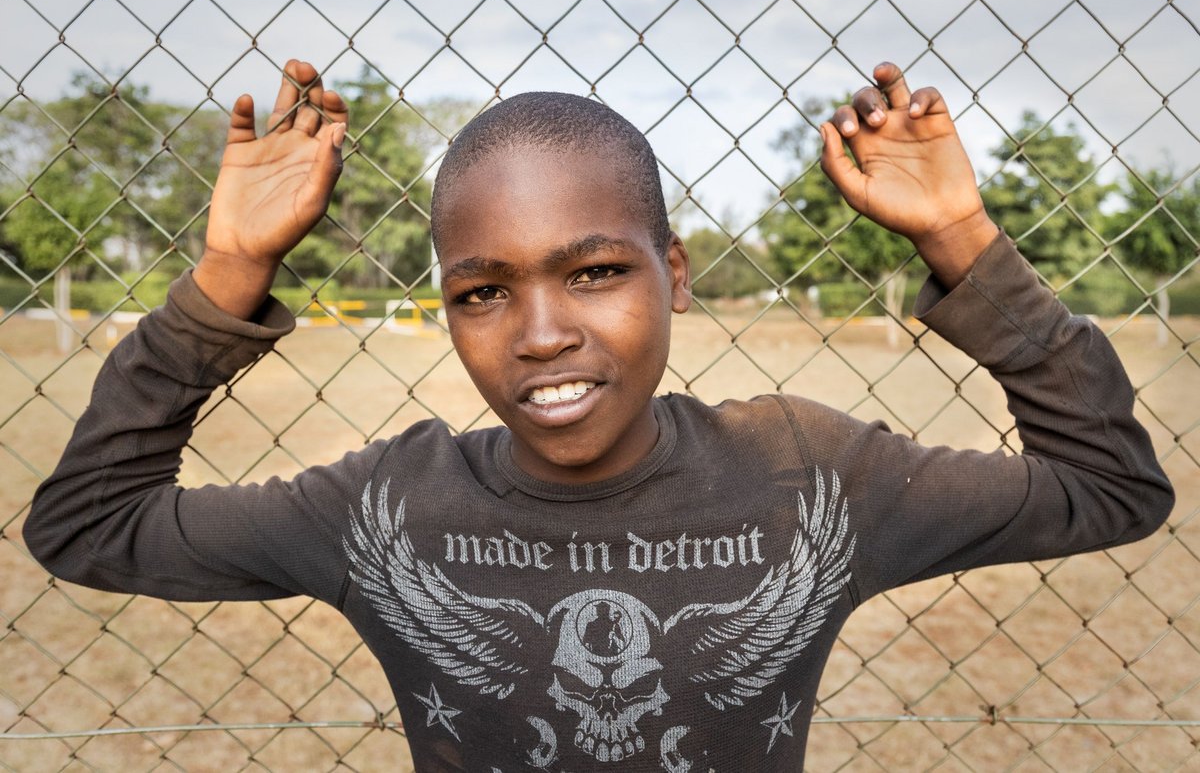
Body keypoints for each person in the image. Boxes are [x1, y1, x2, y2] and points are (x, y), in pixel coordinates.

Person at [24, 60, 1174, 771]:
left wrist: (962, 239)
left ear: (674, 273)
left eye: (594, 273)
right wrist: (229, 272)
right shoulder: (387, 510)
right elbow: (88, 526)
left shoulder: (808, 477)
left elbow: (1110, 486)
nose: (540, 334)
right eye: (483, 292)